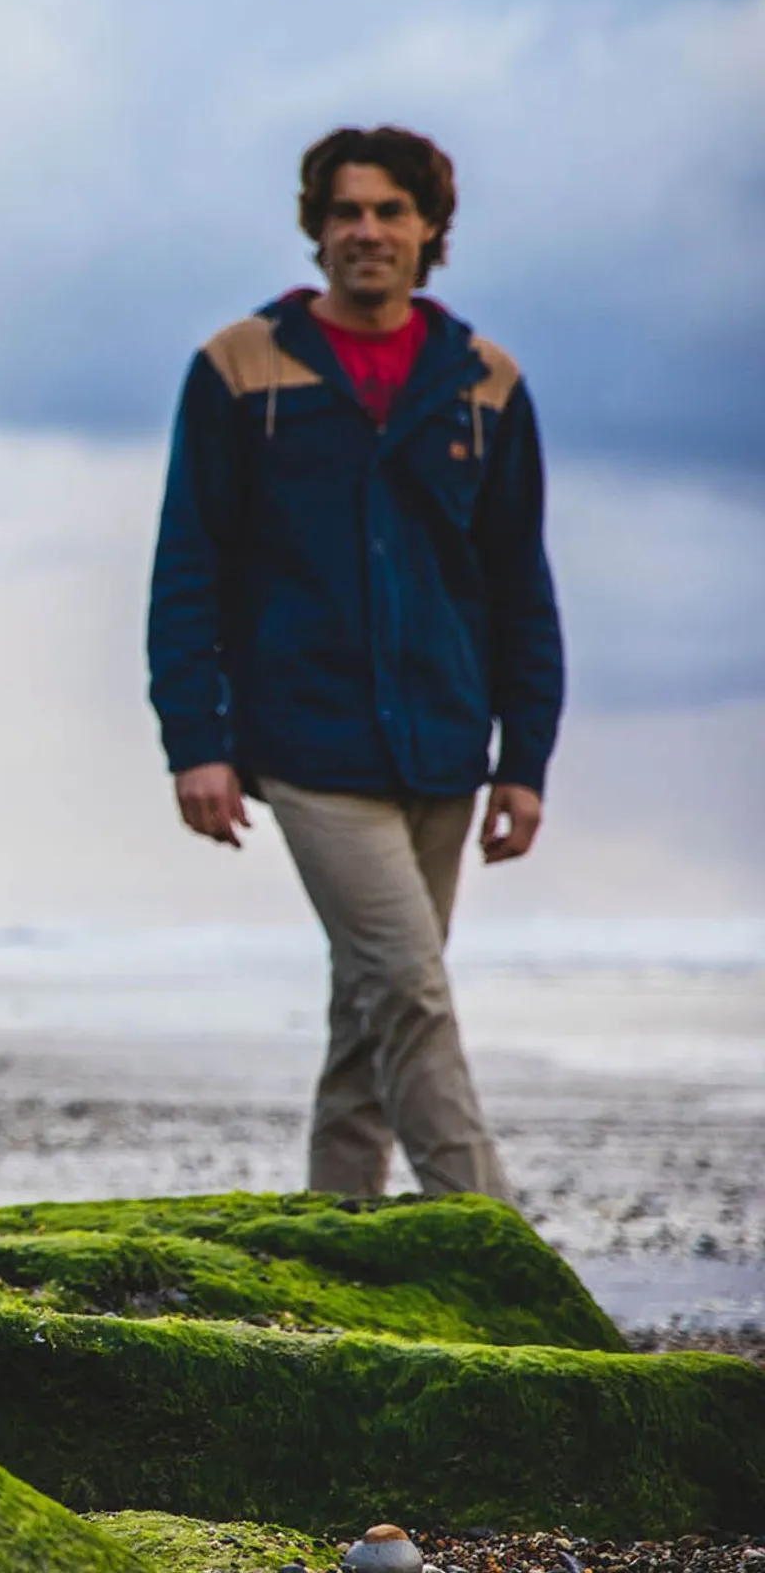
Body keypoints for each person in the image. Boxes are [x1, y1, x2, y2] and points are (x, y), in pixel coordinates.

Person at [145, 125, 564, 1202]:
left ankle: (339, 1238)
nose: (366, 231)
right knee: (412, 992)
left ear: (430, 231)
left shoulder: (486, 382)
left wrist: (525, 759)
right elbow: (187, 563)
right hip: (306, 742)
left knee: (369, 1009)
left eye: (389, 211)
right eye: (346, 212)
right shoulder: (241, 368)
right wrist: (198, 740)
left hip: (443, 744)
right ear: (316, 228)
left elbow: (520, 583)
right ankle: (493, 1235)